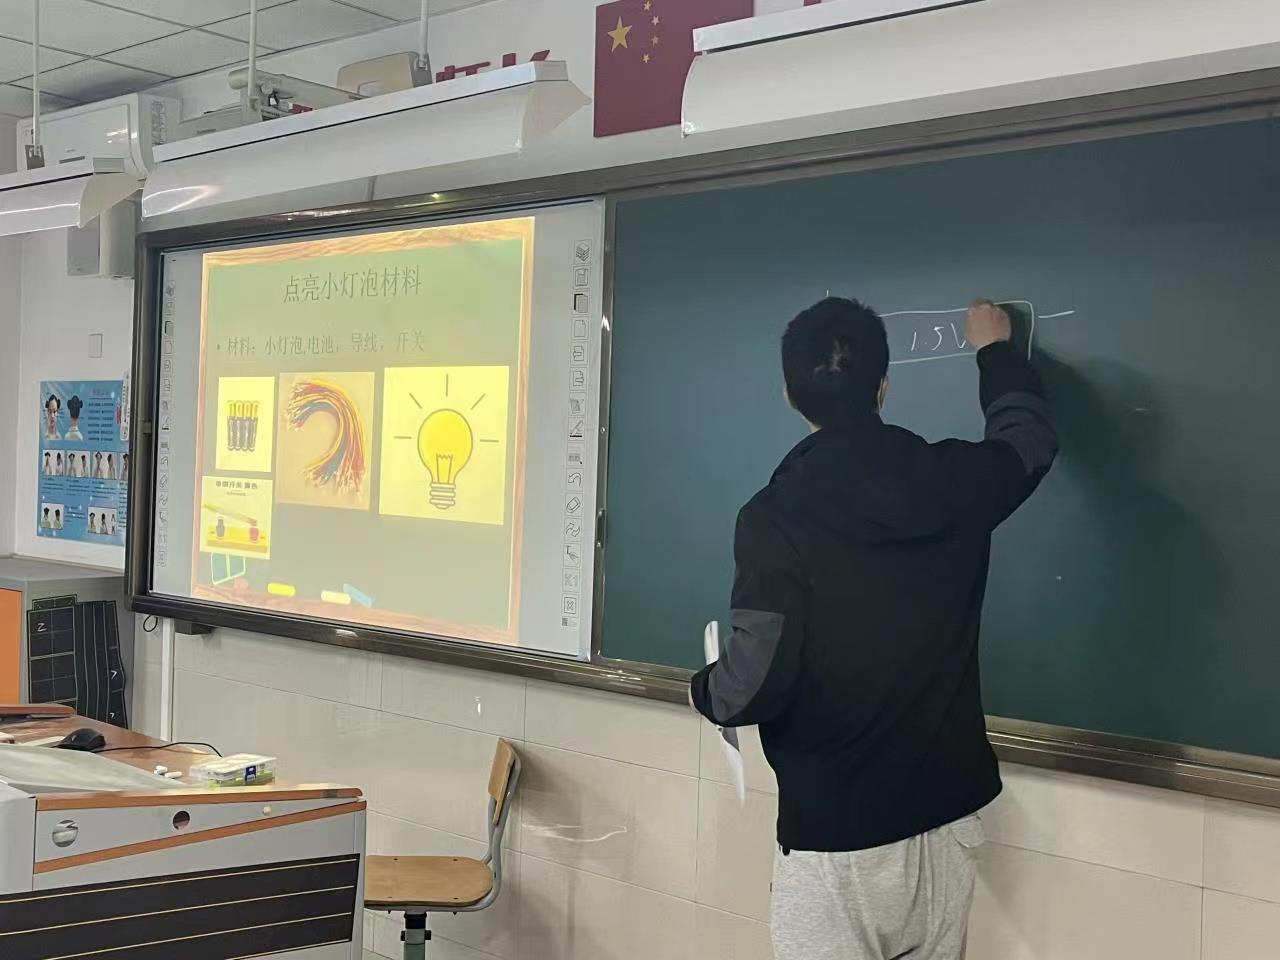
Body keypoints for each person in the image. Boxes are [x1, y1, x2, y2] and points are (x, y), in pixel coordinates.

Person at [689, 298, 1057, 960]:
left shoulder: (774, 516)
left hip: (836, 837)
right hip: (945, 823)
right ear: (883, 386)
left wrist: (706, 690)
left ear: (789, 394)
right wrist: (997, 351)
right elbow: (1027, 441)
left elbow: (758, 679)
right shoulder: (952, 481)